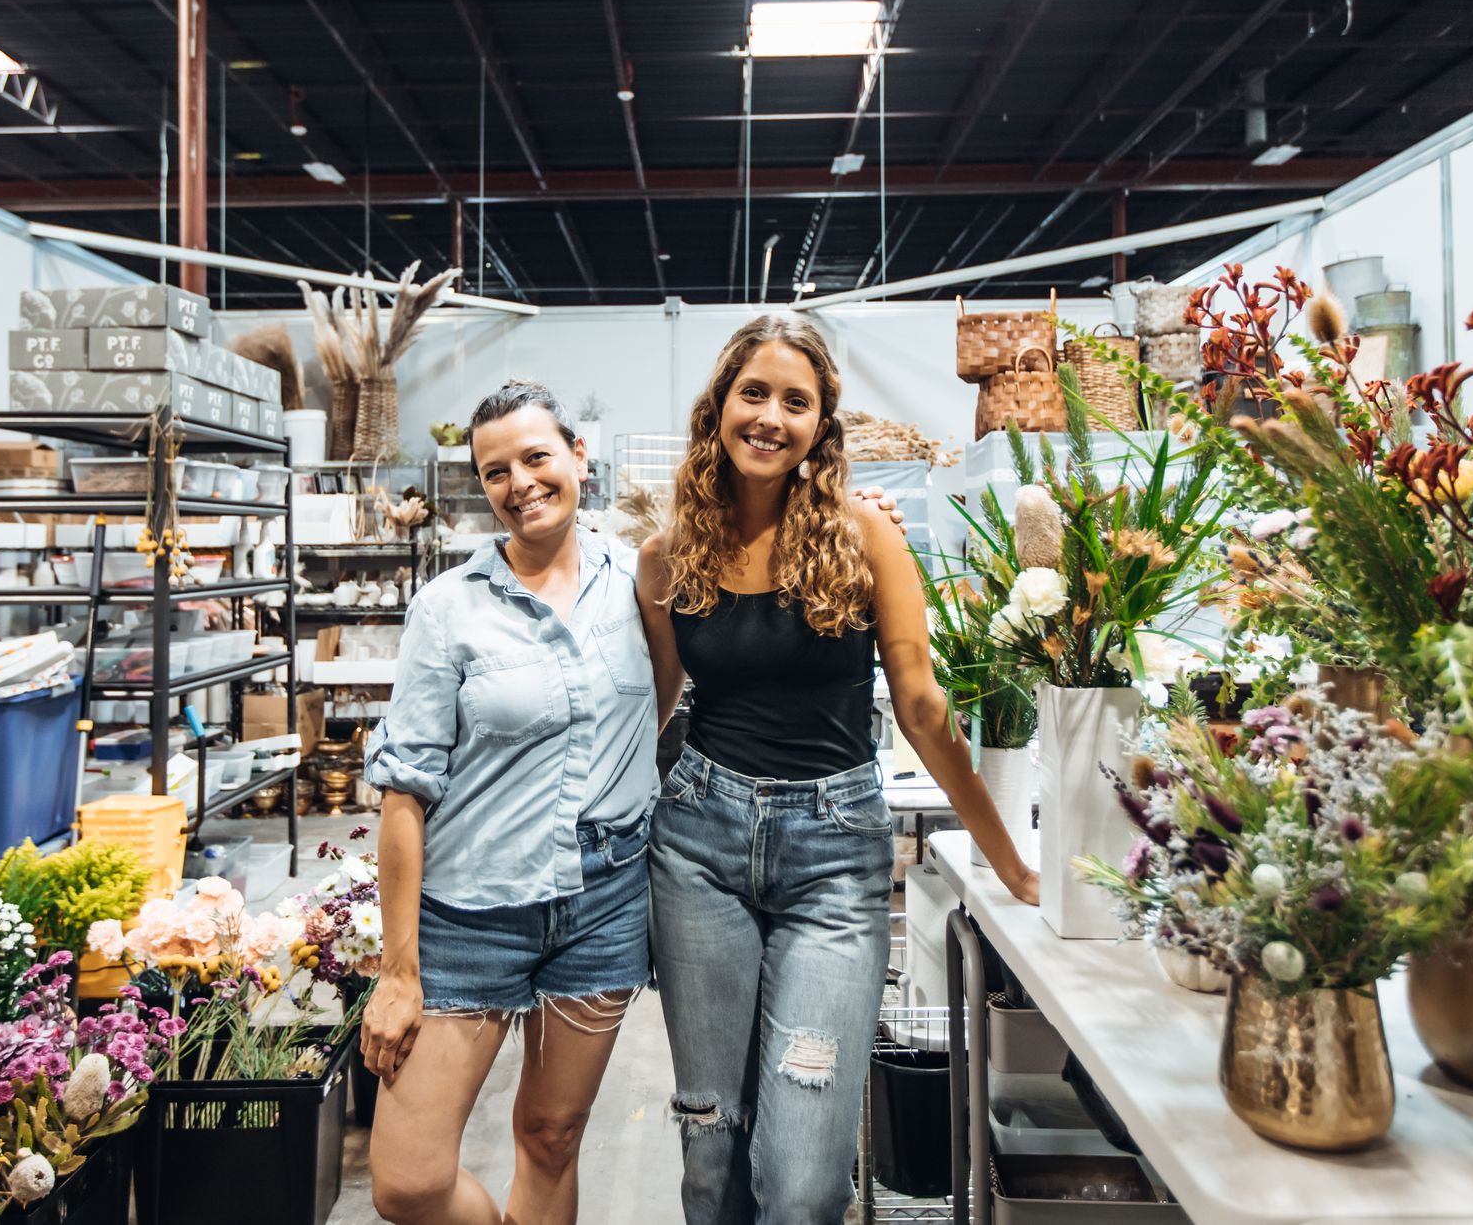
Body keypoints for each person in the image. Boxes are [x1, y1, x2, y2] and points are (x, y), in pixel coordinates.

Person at [637, 314, 1039, 1223]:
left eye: (797, 400)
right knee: (711, 1151)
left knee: (804, 1179)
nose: (771, 416)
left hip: (834, 858)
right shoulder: (669, 556)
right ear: (719, 405)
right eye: (754, 392)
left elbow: (924, 708)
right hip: (697, 847)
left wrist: (1007, 858)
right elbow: (651, 715)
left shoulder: (865, 536)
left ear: (823, 423)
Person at [361, 381, 657, 1225]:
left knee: (553, 1134)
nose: (520, 482)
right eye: (497, 471)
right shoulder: (446, 609)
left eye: (536, 457)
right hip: (470, 911)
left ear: (578, 459)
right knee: (408, 1180)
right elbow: (404, 791)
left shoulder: (639, 584)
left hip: (602, 905)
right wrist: (399, 968)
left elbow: (675, 689)